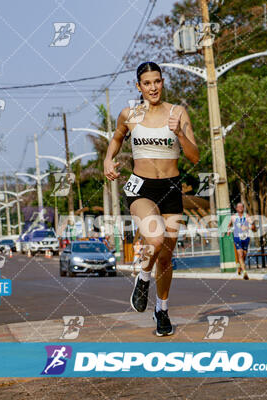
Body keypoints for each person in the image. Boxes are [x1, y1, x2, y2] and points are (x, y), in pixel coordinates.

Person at [104, 61, 199, 337]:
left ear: (162, 81)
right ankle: (143, 278)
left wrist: (179, 133)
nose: (153, 87)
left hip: (171, 187)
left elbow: (194, 156)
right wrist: (108, 160)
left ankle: (162, 310)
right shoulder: (130, 115)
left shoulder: (177, 113)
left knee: (166, 258)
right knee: (155, 239)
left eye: (156, 81)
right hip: (140, 187)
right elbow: (117, 138)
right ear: (139, 86)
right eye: (147, 83)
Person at [227, 202, 250, 280]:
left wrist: (248, 227)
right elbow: (229, 225)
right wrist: (229, 230)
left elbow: (252, 225)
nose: (240, 208)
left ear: (243, 208)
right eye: (238, 206)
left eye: (241, 206)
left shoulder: (247, 216)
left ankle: (240, 266)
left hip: (246, 237)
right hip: (237, 237)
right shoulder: (233, 217)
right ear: (236, 209)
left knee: (244, 254)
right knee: (240, 255)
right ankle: (245, 272)